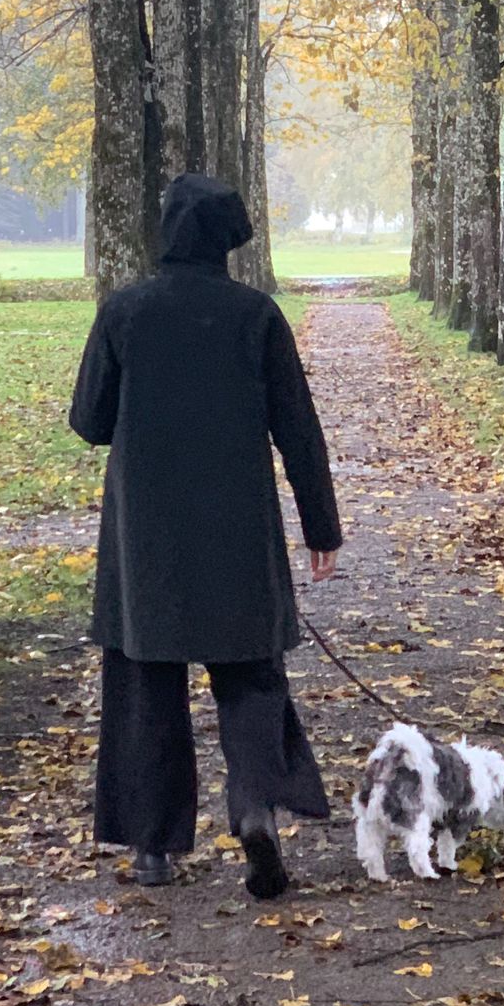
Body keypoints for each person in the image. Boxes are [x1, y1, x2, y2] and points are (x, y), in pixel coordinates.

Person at [67, 173, 343, 899]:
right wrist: (321, 525)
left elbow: (89, 420)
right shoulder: (256, 316)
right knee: (251, 675)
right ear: (229, 241)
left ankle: (151, 848)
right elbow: (298, 429)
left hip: (146, 537)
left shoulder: (124, 311)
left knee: (144, 683)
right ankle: (254, 809)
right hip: (238, 530)